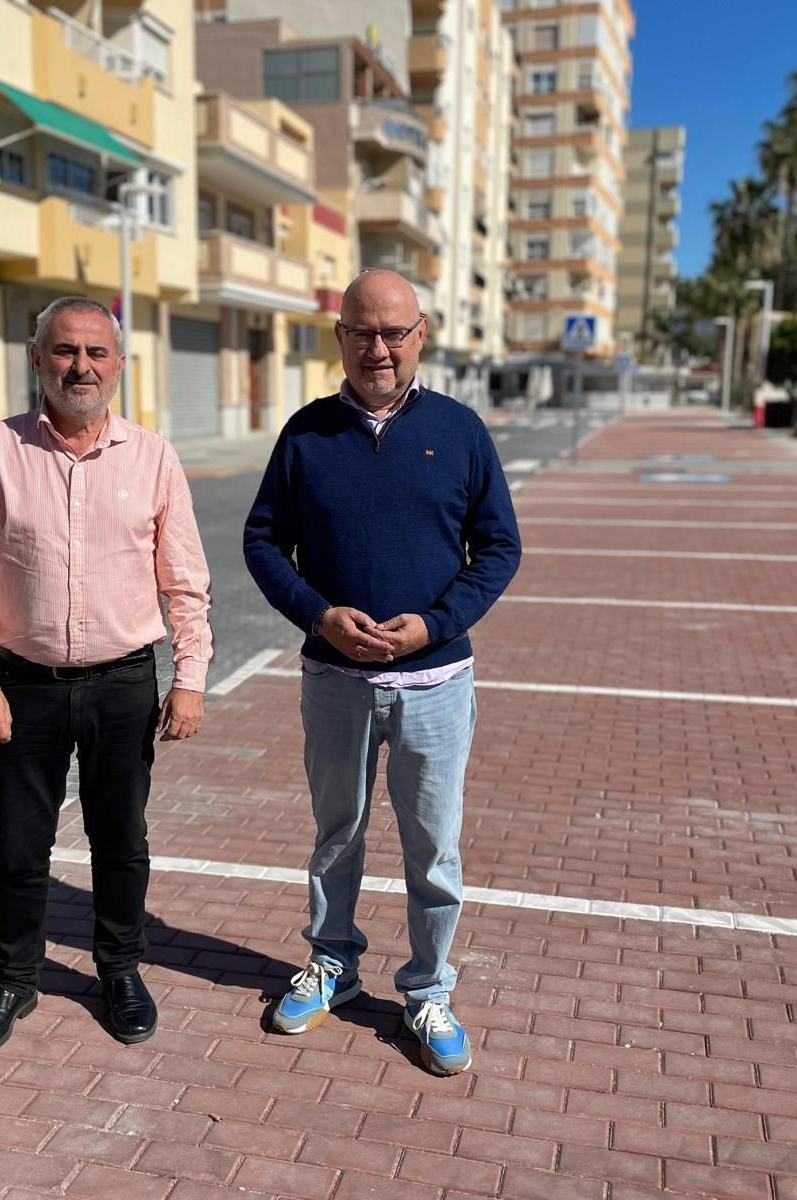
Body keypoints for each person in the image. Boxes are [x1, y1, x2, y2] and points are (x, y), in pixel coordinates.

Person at [243, 269, 521, 1075]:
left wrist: (433, 625)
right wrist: (318, 613)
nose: (378, 348)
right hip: (335, 682)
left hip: (437, 683)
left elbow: (499, 548)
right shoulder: (306, 434)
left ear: (421, 334)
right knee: (337, 835)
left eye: (394, 332)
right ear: (339, 337)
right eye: (362, 331)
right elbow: (264, 542)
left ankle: (429, 987)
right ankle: (332, 961)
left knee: (434, 848)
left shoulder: (462, 433)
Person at [0, 295, 211, 1058]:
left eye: (95, 352)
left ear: (118, 365)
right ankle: (14, 979)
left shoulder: (153, 457)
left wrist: (189, 678)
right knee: (21, 845)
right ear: (37, 359)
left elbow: (184, 582)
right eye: (64, 351)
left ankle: (119, 970)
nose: (80, 366)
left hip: (125, 682)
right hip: (23, 685)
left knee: (121, 839)